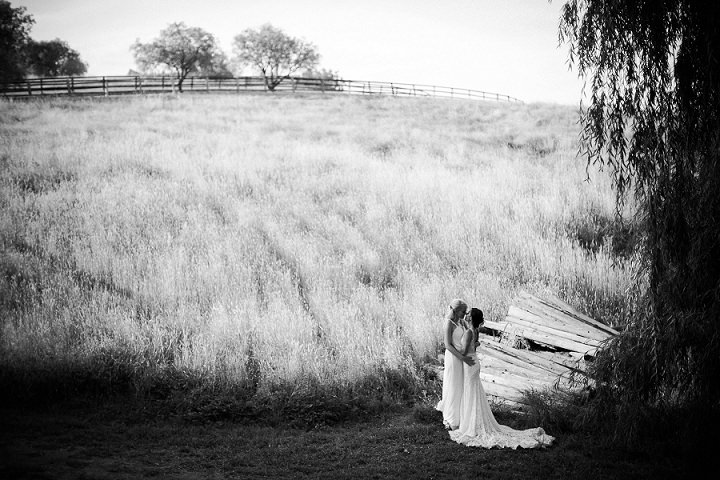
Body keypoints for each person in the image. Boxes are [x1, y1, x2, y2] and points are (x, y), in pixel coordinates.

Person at [449, 307, 555, 448]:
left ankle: (472, 426)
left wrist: (451, 347)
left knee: (471, 392)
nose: (466, 315)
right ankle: (472, 422)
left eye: (468, 314)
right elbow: (474, 346)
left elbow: (463, 350)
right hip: (474, 362)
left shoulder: (468, 332)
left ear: (471, 318)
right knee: (473, 391)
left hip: (469, 364)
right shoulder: (475, 330)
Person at [436, 299, 476, 430]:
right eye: (463, 312)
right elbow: (447, 345)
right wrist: (462, 358)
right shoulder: (449, 323)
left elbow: (469, 332)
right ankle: (451, 419)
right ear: (456, 311)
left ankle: (461, 417)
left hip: (462, 355)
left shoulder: (461, 321)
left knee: (460, 386)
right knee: (453, 385)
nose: (465, 314)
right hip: (454, 357)